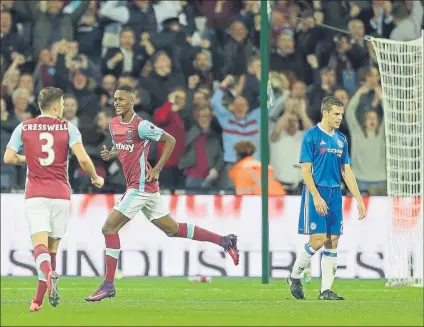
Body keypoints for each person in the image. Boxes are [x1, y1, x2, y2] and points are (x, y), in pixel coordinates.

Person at [85, 85, 239, 302]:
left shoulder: (142, 125)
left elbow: (170, 141)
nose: (117, 102)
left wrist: (157, 168)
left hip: (140, 186)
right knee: (172, 229)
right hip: (144, 188)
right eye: (115, 99)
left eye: (121, 99)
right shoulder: (114, 124)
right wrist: (110, 153)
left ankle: (108, 285)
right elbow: (124, 147)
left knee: (109, 227)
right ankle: (224, 241)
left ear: (132, 100)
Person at [3, 87, 104, 312]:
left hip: (36, 194)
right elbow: (83, 158)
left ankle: (49, 278)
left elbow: (8, 158)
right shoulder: (68, 128)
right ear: (57, 106)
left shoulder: (24, 127)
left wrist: (27, 158)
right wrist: (96, 177)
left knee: (39, 248)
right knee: (51, 251)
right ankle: (38, 299)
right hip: (60, 195)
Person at [287, 96, 366, 300]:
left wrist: (359, 199)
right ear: (325, 113)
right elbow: (306, 170)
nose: (340, 117)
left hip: (335, 193)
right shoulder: (311, 136)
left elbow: (346, 171)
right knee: (318, 239)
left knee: (333, 240)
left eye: (341, 114)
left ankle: (325, 291)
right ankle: (294, 276)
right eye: (336, 114)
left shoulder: (341, 139)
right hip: (316, 191)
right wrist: (316, 197)